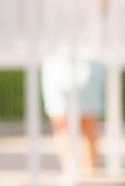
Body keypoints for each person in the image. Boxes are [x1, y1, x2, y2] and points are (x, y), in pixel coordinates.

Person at [40, 48, 104, 177]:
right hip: (64, 60)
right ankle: (79, 173)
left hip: (82, 59)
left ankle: (82, 173)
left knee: (78, 124)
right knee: (66, 124)